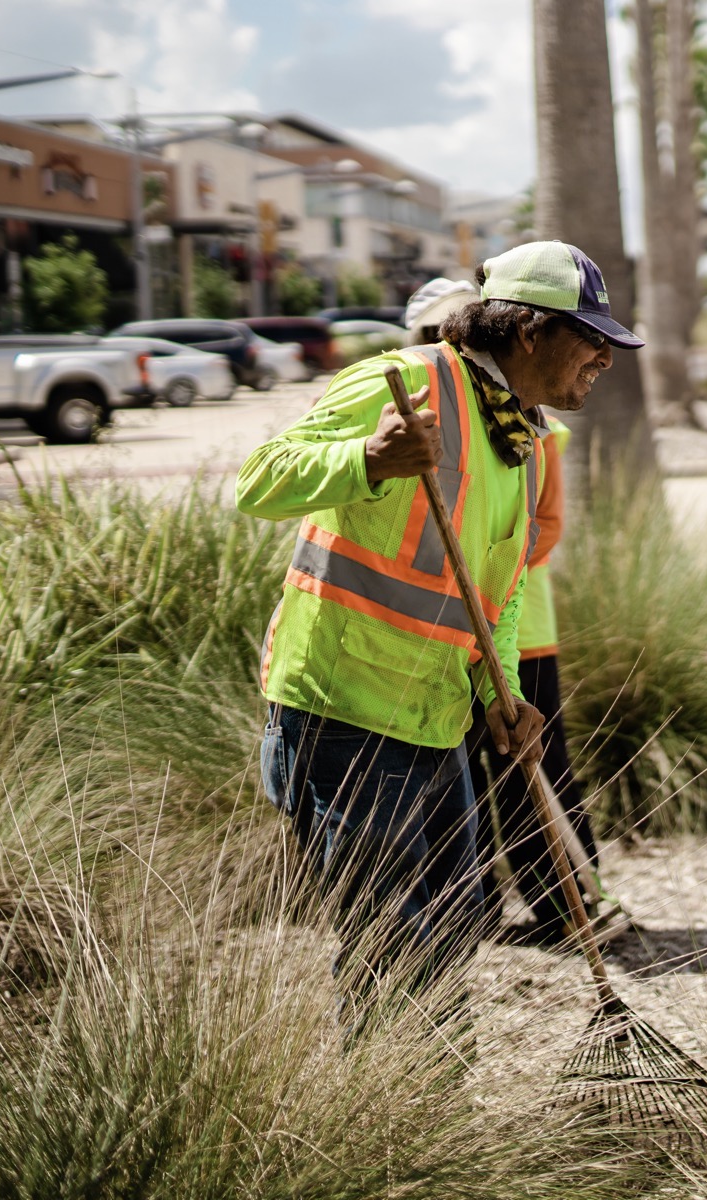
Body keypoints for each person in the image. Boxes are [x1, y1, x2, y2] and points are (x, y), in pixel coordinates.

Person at [238, 240, 641, 1017]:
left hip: (435, 715)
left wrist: (505, 694)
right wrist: (368, 457)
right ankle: (385, 1117)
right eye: (591, 338)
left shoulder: (520, 437)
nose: (604, 357)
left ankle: (428, 1099)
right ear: (528, 331)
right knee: (393, 940)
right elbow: (259, 479)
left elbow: (503, 589)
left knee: (458, 920)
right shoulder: (407, 386)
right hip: (344, 711)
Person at [463, 415, 599, 945]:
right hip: (442, 636)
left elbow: (547, 526)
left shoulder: (534, 426)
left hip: (522, 638)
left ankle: (566, 903)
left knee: (532, 767)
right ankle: (470, 910)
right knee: (457, 775)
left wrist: (478, 575)